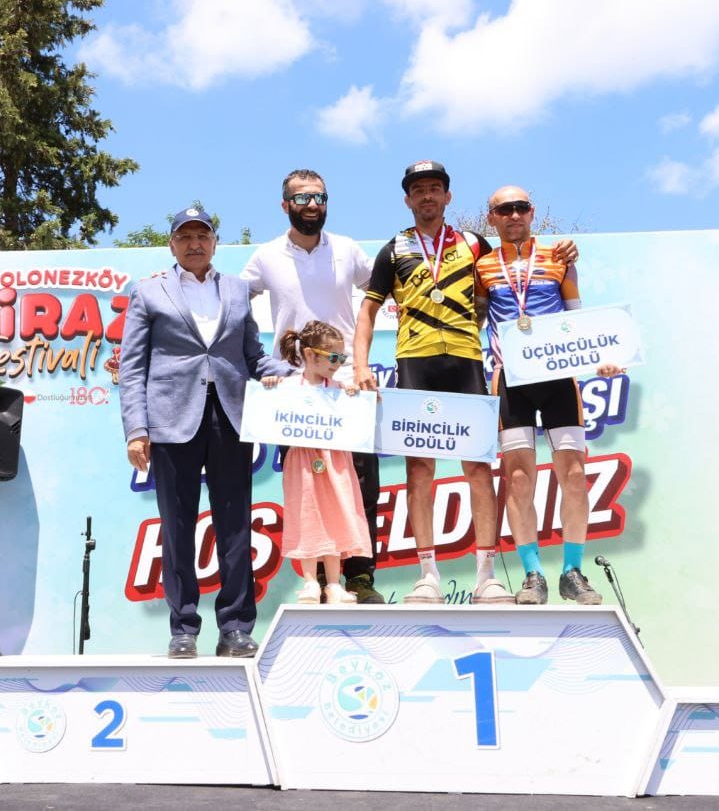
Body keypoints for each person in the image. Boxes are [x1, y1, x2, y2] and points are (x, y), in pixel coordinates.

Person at [353, 160, 577, 605]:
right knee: (420, 468)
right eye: (419, 189)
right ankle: (427, 575)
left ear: (448, 196)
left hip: (467, 361)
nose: (427, 195)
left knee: (477, 467)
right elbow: (368, 310)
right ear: (408, 199)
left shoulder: (474, 244)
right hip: (415, 361)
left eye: (435, 188)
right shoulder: (394, 249)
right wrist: (361, 365)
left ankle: (486, 576)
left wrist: (565, 250)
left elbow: (508, 274)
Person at [120, 206, 291, 659]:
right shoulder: (148, 291)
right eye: (185, 236)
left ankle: (235, 627)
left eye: (203, 236)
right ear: (172, 244)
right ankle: (183, 628)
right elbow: (133, 368)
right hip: (171, 422)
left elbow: (253, 357)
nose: (194, 243)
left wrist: (301, 375)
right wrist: (136, 428)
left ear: (215, 243)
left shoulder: (236, 290)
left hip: (231, 418)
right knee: (176, 527)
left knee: (235, 527)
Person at [241, 168, 384, 603]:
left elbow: (382, 290)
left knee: (359, 485)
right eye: (302, 198)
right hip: (295, 392)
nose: (312, 206)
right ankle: (315, 579)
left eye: (319, 197)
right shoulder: (266, 256)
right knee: (307, 487)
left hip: (347, 388)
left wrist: (359, 364)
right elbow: (230, 301)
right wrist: (267, 366)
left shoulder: (347, 249)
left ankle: (358, 578)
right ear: (285, 205)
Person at [475, 185, 622, 605]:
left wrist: (603, 358)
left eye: (520, 207)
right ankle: (533, 574)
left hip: (559, 379)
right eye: (505, 209)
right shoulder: (483, 266)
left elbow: (578, 318)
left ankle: (572, 571)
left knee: (573, 475)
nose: (514, 215)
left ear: (532, 212)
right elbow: (476, 318)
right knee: (519, 480)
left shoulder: (559, 257)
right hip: (511, 381)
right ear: (491, 217)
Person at [262, 320, 373, 605]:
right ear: (310, 355)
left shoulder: (339, 389)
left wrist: (355, 397)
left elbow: (356, 416)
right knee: (307, 516)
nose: (338, 364)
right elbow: (268, 411)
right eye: (334, 357)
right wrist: (270, 386)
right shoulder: (288, 386)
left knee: (335, 515)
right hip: (301, 463)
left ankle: (334, 584)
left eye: (342, 358)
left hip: (335, 463)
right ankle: (310, 582)